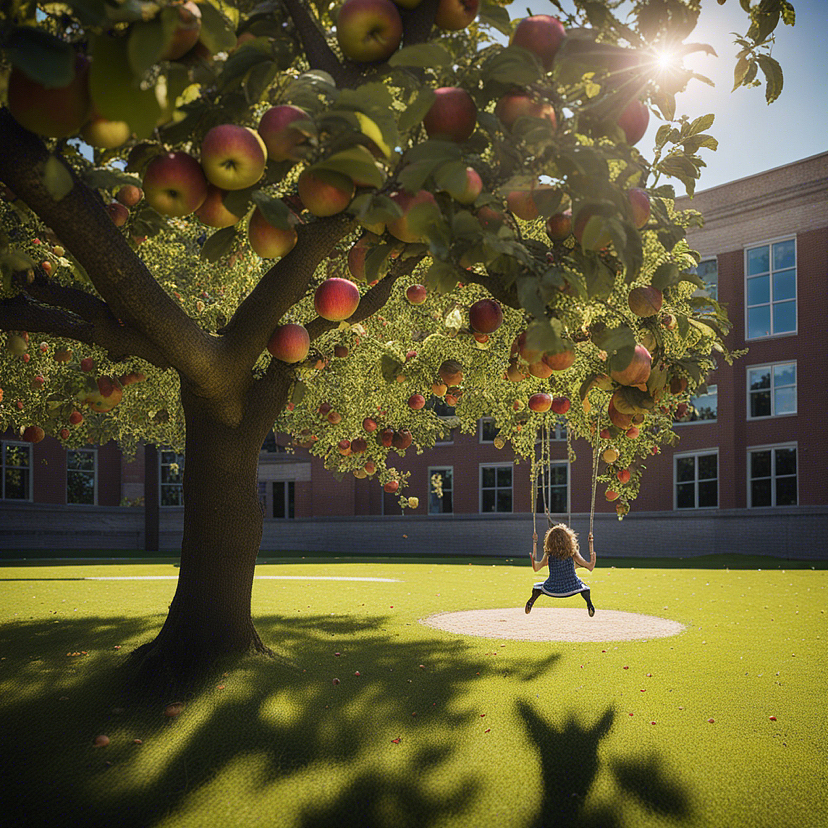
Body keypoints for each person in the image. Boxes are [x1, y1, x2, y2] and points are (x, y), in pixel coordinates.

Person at [525, 523, 596, 616]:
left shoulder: (549, 554)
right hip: (572, 585)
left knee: (537, 588)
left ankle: (531, 602)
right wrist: (591, 549)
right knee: (585, 589)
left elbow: (536, 568)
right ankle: (589, 604)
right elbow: (590, 567)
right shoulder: (572, 553)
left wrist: (534, 544)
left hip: (552, 586)